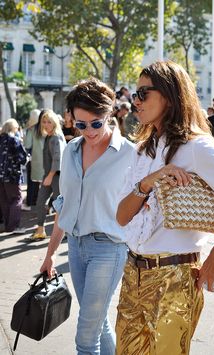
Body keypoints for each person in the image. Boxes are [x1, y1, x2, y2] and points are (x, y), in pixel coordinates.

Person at [115, 60, 214, 355]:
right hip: (133, 273)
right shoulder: (144, 148)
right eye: (135, 94)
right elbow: (121, 217)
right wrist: (148, 182)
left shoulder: (197, 148)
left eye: (144, 93)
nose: (135, 101)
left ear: (168, 97)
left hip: (174, 278)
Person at [39, 77, 134, 354]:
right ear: (71, 120)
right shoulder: (70, 151)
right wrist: (50, 254)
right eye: (81, 124)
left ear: (109, 115)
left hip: (109, 249)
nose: (89, 131)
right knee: (98, 323)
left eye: (96, 123)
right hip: (76, 249)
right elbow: (64, 207)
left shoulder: (130, 154)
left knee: (85, 336)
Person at [27, 109, 66, 241]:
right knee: (41, 202)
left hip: (56, 176)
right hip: (49, 175)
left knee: (60, 205)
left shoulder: (55, 137)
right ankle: (40, 230)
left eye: (49, 122)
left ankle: (64, 232)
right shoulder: (49, 136)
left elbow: (57, 159)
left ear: (54, 122)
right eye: (44, 121)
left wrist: (50, 175)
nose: (46, 124)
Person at [0, 119, 27, 233]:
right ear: (13, 128)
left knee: (4, 200)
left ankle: (7, 225)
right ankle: (13, 226)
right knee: (16, 199)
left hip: (0, 175)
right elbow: (22, 159)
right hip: (12, 175)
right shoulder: (14, 140)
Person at [22, 109, 44, 211]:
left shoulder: (31, 129)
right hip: (46, 160)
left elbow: (27, 145)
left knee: (32, 183)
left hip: (33, 160)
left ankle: (31, 202)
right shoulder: (46, 128)